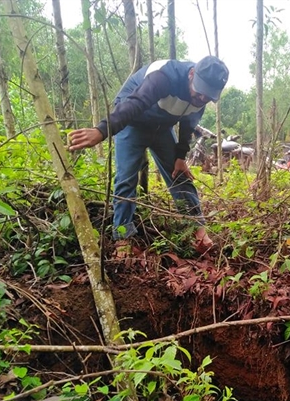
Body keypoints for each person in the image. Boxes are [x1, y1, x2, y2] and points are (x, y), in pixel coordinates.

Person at [68, 56, 229, 253]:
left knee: (179, 176)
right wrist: (102, 130)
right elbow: (136, 103)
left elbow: (189, 124)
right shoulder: (164, 77)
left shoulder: (201, 96)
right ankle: (123, 238)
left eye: (209, 95)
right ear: (192, 74)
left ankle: (197, 230)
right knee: (126, 178)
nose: (203, 98)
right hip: (131, 120)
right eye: (201, 91)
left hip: (161, 127)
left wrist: (180, 157)